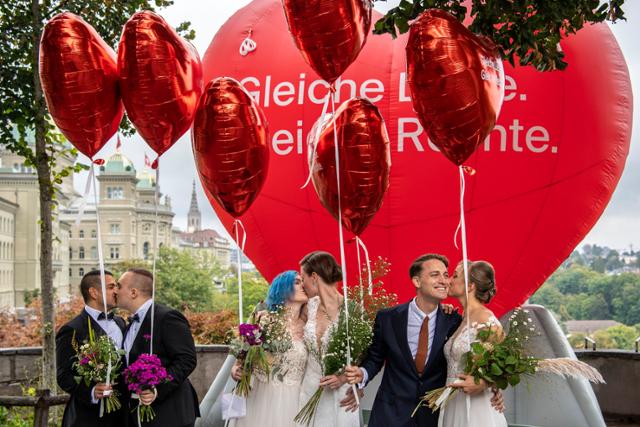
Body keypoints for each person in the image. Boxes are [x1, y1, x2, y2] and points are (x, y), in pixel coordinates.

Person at [344, 254, 498, 427]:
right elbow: (375, 358)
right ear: (417, 282)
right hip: (390, 414)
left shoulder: (455, 321)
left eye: (447, 275)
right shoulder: (387, 318)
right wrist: (362, 375)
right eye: (435, 275)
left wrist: (489, 385)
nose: (444, 281)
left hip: (434, 416)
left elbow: (486, 358)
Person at [117, 268, 200, 427]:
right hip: (137, 414)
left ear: (133, 292)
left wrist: (157, 388)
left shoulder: (167, 317)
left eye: (119, 286)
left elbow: (187, 359)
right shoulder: (129, 324)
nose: (115, 290)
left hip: (170, 413)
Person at [229, 270, 309, 427]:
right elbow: (243, 355)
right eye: (297, 282)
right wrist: (235, 370)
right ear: (283, 289)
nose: (303, 285)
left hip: (294, 400)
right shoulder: (264, 319)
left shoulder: (309, 327)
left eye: (302, 281)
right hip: (260, 395)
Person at [437, 260, 507, 427]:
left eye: (455, 276)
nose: (449, 280)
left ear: (470, 286)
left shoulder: (487, 320)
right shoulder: (460, 318)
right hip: (453, 403)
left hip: (476, 407)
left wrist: (485, 383)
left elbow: (504, 364)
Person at [56, 269, 127, 427]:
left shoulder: (121, 322)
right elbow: (63, 376)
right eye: (111, 287)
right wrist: (92, 392)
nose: (116, 291)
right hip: (88, 417)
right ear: (94, 292)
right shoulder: (72, 329)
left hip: (122, 415)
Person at [298, 251, 359, 427]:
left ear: (314, 277)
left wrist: (343, 379)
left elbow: (363, 356)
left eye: (303, 278)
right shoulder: (306, 308)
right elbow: (290, 330)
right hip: (309, 390)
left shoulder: (353, 310)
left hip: (340, 396)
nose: (302, 285)